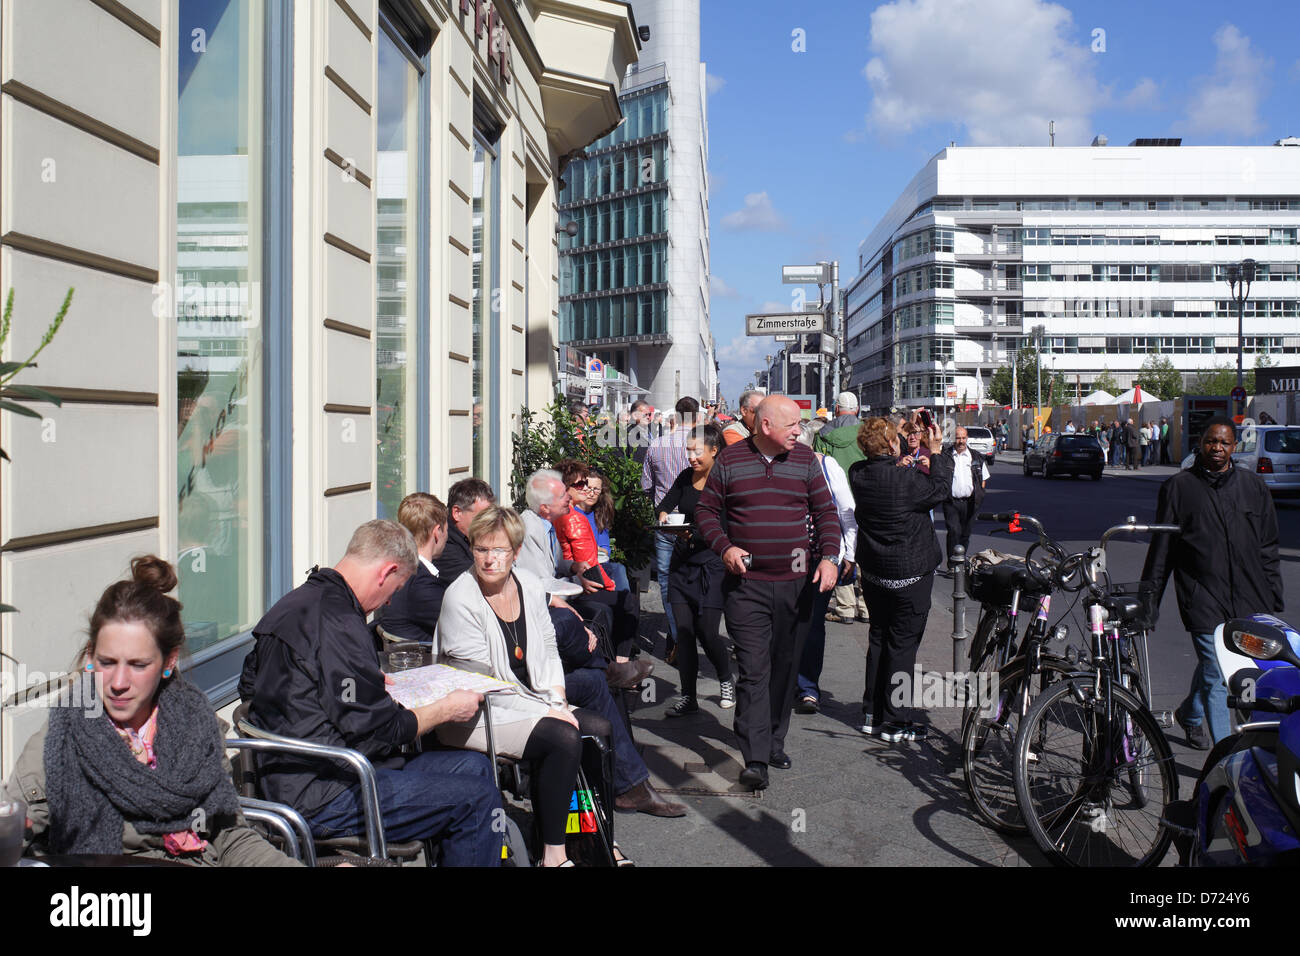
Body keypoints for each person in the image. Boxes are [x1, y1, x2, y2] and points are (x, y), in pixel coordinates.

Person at [4, 557, 299, 866]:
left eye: (138, 665)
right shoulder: (62, 737)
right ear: (90, 656)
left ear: (168, 662)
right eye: (107, 662)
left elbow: (231, 838)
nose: (118, 683)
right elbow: (16, 823)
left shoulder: (196, 729)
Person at [240, 520, 501, 865]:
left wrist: (353, 679)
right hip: (324, 789)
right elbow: (385, 731)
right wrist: (446, 708)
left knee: (474, 767)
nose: (390, 602)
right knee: (478, 800)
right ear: (386, 571)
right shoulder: (341, 624)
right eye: (397, 588)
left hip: (303, 769)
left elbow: (250, 684)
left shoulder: (296, 602)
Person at [435, 506, 676, 865]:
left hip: (525, 700)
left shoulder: (529, 586)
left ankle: (595, 840)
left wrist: (558, 700)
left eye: (498, 550)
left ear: (516, 553)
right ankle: (553, 854)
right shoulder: (461, 597)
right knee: (562, 735)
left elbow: (547, 650)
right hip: (478, 714)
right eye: (481, 549)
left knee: (599, 729)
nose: (489, 559)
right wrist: (548, 711)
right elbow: (480, 683)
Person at [695, 395, 841, 790]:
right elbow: (706, 513)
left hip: (796, 586)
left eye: (800, 424)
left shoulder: (807, 461)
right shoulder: (730, 460)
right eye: (792, 424)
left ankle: (775, 739)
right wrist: (725, 547)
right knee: (755, 670)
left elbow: (826, 513)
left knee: (784, 667)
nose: (800, 430)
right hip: (747, 586)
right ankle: (755, 757)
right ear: (766, 426)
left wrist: (830, 557)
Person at [1141, 417, 1284, 749]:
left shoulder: (1253, 487)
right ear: (1200, 443)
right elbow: (1162, 550)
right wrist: (1150, 602)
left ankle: (1190, 714)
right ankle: (1226, 753)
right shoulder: (1179, 487)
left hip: (1250, 596)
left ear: (1234, 447)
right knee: (1220, 672)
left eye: (1224, 443)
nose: (1217, 448)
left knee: (1216, 666)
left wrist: (1273, 594)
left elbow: (1268, 545)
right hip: (1201, 595)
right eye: (1211, 441)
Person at [849, 414, 953, 742]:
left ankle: (872, 713)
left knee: (879, 638)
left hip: (876, 571)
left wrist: (905, 461)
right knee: (902, 645)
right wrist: (935, 452)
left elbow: (895, 480)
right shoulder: (907, 481)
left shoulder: (858, 474)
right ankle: (896, 722)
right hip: (910, 573)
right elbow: (939, 489)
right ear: (892, 443)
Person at [657, 422, 736, 716]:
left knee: (707, 631)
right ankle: (688, 697)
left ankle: (725, 677)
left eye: (697, 451)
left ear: (714, 451)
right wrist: (664, 515)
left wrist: (695, 533)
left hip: (713, 564)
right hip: (683, 563)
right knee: (685, 632)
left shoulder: (724, 481)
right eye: (688, 450)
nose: (691, 457)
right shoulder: (684, 477)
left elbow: (728, 526)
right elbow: (665, 504)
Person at [795, 422, 858, 715]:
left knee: (811, 623)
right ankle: (785, 683)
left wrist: (848, 555)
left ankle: (807, 688)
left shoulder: (826, 466)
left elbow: (846, 511)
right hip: (785, 561)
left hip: (821, 558)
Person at [552, 459, 641, 661]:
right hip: (574, 586)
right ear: (565, 488)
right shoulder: (574, 518)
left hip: (569, 579)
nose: (586, 490)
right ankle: (620, 664)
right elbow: (589, 565)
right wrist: (608, 587)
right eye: (580, 485)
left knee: (617, 574)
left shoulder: (562, 514)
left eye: (591, 487)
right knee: (627, 601)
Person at [643, 396, 699, 659]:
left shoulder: (657, 445)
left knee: (666, 581)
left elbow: (646, 486)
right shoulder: (702, 448)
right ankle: (690, 632)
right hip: (695, 521)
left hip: (666, 522)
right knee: (696, 576)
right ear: (697, 418)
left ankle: (677, 637)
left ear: (674, 418)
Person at [374, 492, 450, 643]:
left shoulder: (394, 570)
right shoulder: (421, 583)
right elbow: (462, 627)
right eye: (447, 530)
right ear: (437, 532)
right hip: (425, 661)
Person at [940, 426, 990, 567]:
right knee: (954, 531)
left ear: (967, 438)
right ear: (953, 439)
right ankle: (952, 564)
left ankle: (960, 561)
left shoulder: (976, 456)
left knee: (965, 533)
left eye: (963, 438)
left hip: (970, 502)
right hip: (951, 502)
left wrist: (979, 493)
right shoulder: (946, 456)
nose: (961, 441)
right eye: (958, 438)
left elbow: (983, 478)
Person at [434, 478, 495, 583]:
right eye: (482, 517)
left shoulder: (474, 538)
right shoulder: (444, 546)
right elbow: (480, 582)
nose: (489, 523)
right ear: (457, 513)